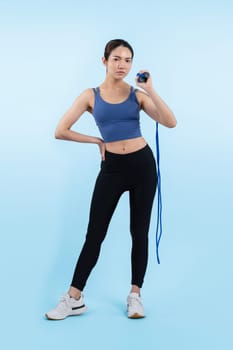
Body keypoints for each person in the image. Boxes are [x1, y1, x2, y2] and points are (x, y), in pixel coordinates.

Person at [45, 39, 177, 320]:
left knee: (138, 232)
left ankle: (135, 295)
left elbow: (170, 122)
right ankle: (73, 298)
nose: (122, 65)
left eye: (128, 60)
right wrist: (96, 140)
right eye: (117, 59)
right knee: (95, 234)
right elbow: (61, 130)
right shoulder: (90, 96)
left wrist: (150, 89)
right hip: (113, 168)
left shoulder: (137, 95)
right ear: (104, 61)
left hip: (142, 165)